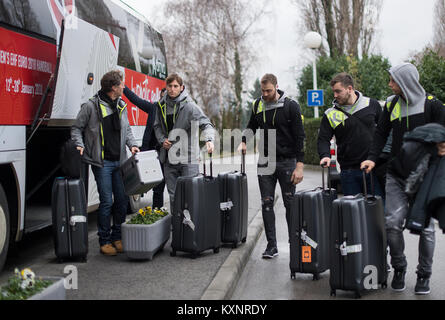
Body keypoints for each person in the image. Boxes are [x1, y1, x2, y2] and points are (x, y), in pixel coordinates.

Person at [361, 63, 445, 295]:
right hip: (396, 174)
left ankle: (424, 275)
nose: (389, 84)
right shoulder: (391, 104)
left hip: (425, 176)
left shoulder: (432, 105)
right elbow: (380, 134)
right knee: (392, 224)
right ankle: (399, 268)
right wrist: (372, 158)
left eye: (393, 80)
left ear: (406, 81)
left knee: (426, 229)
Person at [71, 70, 140, 256]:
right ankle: (104, 240)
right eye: (122, 84)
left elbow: (128, 131)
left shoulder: (121, 105)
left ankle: (117, 237)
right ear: (113, 87)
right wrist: (79, 144)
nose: (124, 87)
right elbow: (77, 128)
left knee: (121, 201)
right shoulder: (91, 106)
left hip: (120, 161)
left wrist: (132, 145)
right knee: (107, 202)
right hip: (102, 163)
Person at [239, 74, 305, 259]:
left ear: (277, 86)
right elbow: (251, 126)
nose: (265, 94)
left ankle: (295, 244)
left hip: (287, 161)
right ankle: (271, 246)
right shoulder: (257, 105)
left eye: (269, 90)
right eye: (263, 90)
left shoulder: (291, 106)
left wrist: (299, 166)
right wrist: (243, 141)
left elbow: (300, 137)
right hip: (265, 162)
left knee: (290, 204)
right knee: (266, 204)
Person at [153, 74, 215, 210]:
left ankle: (192, 229)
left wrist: (209, 140)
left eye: (175, 86)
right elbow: (157, 126)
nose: (172, 89)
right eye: (169, 86)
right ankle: (177, 228)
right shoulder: (160, 106)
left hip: (188, 158)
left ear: (181, 88)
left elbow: (206, 123)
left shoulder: (190, 106)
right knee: (174, 196)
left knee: (190, 196)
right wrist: (162, 140)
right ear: (166, 86)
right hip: (169, 159)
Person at [318, 72, 384, 197]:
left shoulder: (372, 104)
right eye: (334, 92)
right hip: (348, 171)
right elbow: (323, 139)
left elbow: (383, 132)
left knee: (377, 213)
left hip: (373, 168)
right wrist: (325, 155)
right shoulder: (330, 114)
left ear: (349, 89)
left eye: (338, 91)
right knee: (353, 213)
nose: (335, 95)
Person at [123, 86, 167, 209]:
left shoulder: (176, 111)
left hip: (170, 155)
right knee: (158, 188)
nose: (164, 100)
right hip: (154, 154)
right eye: (162, 97)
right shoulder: (154, 108)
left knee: (174, 188)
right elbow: (135, 100)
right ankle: (157, 214)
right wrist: (123, 86)